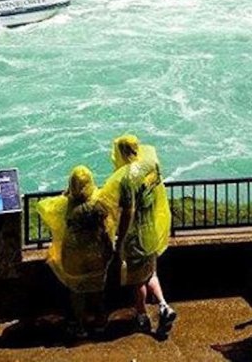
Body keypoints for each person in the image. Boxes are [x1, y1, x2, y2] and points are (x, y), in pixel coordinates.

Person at [101, 134, 176, 335]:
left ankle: (142, 315)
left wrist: (121, 239)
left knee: (137, 280)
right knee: (151, 272)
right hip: (152, 228)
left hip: (136, 235)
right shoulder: (151, 166)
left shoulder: (127, 179)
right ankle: (163, 305)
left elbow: (129, 212)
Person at [37, 166, 115, 339]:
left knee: (77, 290)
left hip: (73, 253)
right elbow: (106, 227)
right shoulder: (98, 203)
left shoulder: (66, 204)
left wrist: (67, 194)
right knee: (97, 288)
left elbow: (44, 207)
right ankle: (100, 322)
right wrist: (109, 250)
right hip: (96, 252)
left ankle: (79, 326)